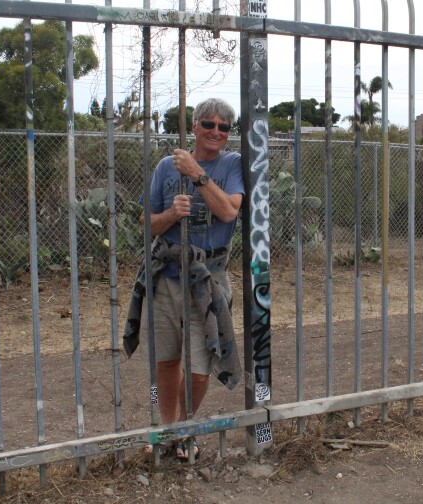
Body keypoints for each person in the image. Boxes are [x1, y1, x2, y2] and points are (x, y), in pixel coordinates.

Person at [123, 97, 244, 460]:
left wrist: (196, 174)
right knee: (166, 360)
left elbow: (227, 211)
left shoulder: (234, 164)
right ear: (194, 127)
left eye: (224, 127)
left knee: (202, 367)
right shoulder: (165, 167)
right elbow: (147, 224)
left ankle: (186, 426)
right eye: (209, 125)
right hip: (167, 277)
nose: (216, 133)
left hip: (208, 280)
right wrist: (171, 216)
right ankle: (167, 432)